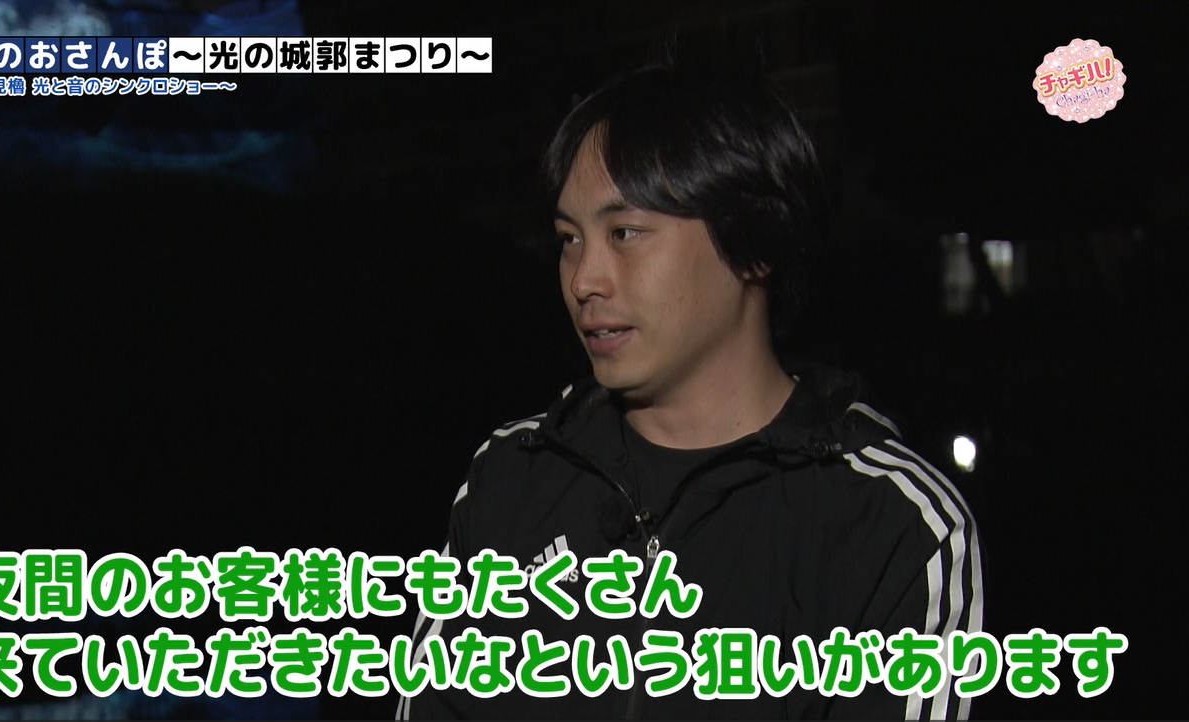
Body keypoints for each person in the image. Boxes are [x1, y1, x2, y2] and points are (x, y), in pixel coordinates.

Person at [397, 58, 983, 720]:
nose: (584, 279)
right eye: (568, 239)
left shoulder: (891, 526)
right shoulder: (510, 478)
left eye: (624, 233)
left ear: (754, 242)